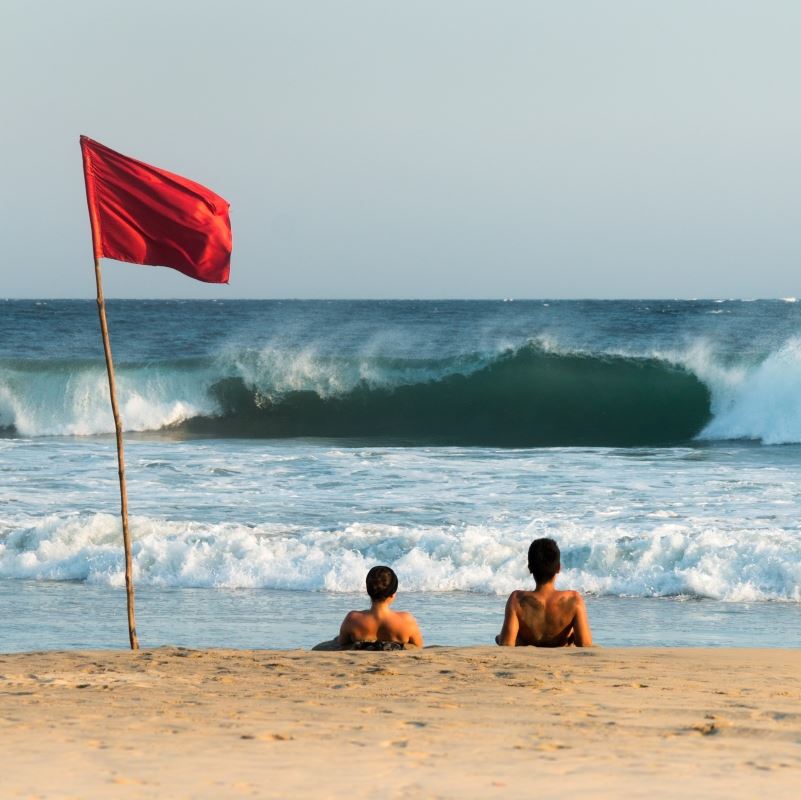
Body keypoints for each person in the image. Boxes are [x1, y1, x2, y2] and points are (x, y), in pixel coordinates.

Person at [496, 538, 592, 647]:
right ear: (558, 568)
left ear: (530, 568)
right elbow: (585, 643)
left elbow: (507, 643)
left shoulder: (517, 599)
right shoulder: (573, 600)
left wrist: (499, 638)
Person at [336, 565, 424, 650]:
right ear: (393, 594)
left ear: (368, 591)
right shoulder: (406, 620)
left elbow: (342, 644)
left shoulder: (352, 619)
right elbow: (418, 646)